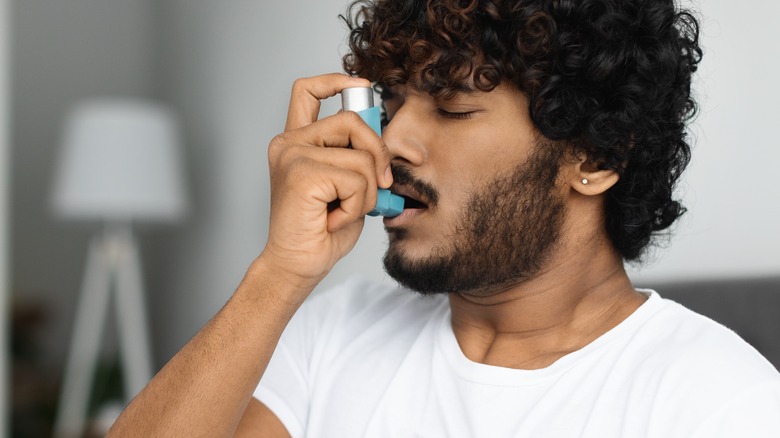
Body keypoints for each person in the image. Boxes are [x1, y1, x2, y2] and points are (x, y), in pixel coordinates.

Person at [109, 0, 780, 436]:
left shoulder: (719, 404)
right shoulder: (332, 333)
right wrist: (279, 274)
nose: (392, 142)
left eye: (453, 108)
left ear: (596, 157)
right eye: (393, 105)